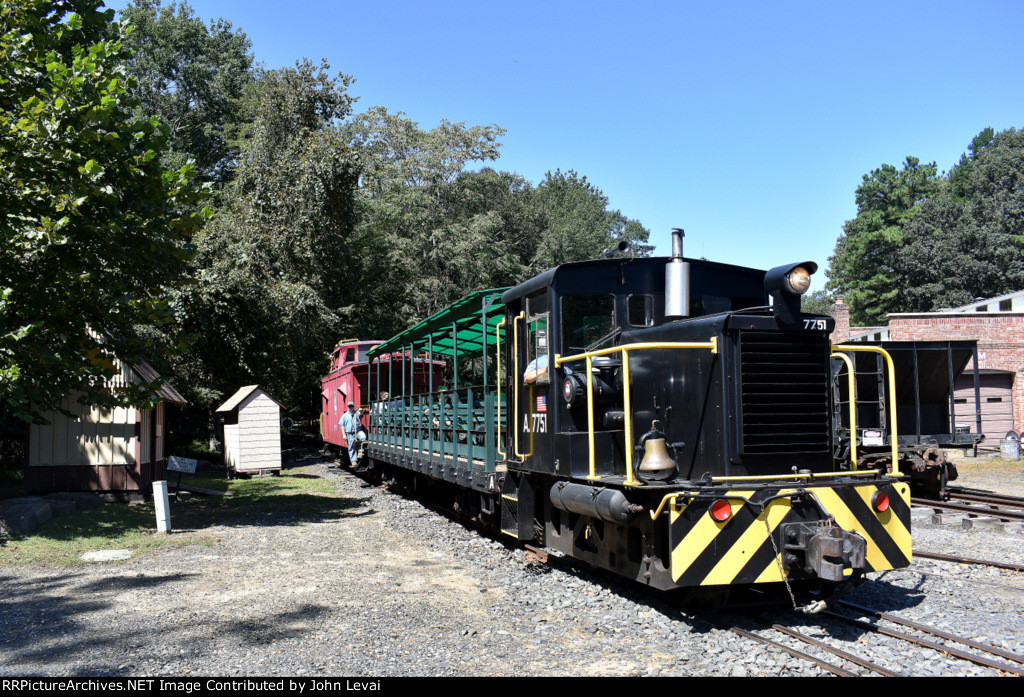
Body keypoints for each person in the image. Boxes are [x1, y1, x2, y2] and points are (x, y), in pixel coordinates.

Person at [339, 401, 364, 465]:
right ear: (348, 407)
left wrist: (361, 410)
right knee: (351, 446)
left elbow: (361, 414)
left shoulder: (357, 413)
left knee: (363, 437)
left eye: (352, 406)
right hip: (350, 433)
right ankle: (353, 460)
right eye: (350, 406)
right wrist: (344, 434)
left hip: (358, 431)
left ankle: (360, 451)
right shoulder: (344, 415)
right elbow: (342, 425)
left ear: (353, 407)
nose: (351, 408)